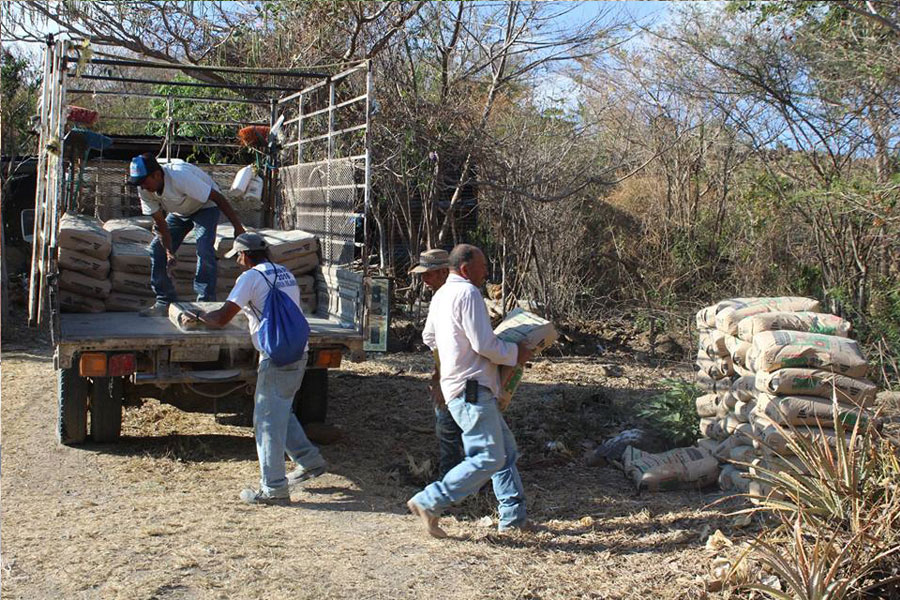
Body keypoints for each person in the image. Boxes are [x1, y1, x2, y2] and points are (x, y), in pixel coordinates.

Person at [183, 232, 327, 505]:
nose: (237, 261)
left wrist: (199, 316)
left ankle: (273, 489)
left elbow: (222, 317)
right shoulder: (284, 272)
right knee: (280, 410)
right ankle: (309, 461)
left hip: (275, 358)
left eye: (238, 256)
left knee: (267, 423)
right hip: (298, 352)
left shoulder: (250, 277)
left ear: (246, 255)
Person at [407, 244, 533, 538]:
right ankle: (430, 500)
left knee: (505, 453)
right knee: (488, 456)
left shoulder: (441, 296)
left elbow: (430, 336)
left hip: (463, 387)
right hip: (472, 389)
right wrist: (516, 352)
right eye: (483, 266)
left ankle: (513, 519)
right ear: (465, 269)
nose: (486, 272)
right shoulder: (468, 293)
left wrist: (449, 363)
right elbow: (484, 344)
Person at [126, 152, 246, 316]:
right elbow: (160, 223)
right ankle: (165, 300)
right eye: (138, 183)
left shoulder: (180, 176)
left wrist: (237, 227)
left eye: (144, 181)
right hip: (179, 213)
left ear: (157, 174)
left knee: (204, 248)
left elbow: (218, 197)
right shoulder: (144, 189)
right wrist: (169, 251)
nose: (142, 187)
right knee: (156, 249)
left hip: (206, 206)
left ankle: (206, 302)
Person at [408, 249, 464, 478]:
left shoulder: (457, 297)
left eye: (428, 274)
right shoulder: (441, 298)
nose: (424, 280)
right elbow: (433, 341)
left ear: (443, 272)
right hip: (449, 371)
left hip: (459, 375)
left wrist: (440, 377)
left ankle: (451, 481)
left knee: (450, 430)